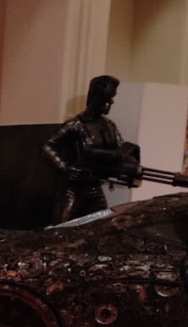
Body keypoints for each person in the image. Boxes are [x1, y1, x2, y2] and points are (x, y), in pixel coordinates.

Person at [42, 74, 141, 225]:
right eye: (106, 98)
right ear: (95, 97)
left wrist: (131, 164)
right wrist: (64, 168)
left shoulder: (109, 126)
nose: (110, 103)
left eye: (111, 99)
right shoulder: (75, 125)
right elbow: (48, 146)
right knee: (60, 228)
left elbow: (121, 151)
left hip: (95, 187)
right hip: (73, 190)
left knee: (102, 226)